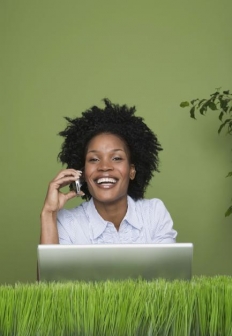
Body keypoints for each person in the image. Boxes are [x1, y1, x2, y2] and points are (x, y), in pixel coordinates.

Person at [40, 99, 177, 244]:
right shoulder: (67, 223)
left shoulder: (154, 213)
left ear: (132, 171)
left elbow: (169, 267)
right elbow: (50, 268)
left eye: (117, 158)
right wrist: (49, 213)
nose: (104, 167)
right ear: (83, 173)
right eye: (94, 159)